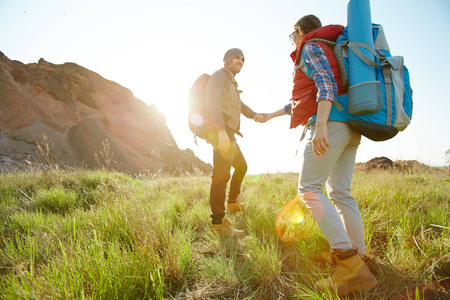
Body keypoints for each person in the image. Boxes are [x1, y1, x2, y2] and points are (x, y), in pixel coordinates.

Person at [262, 15, 378, 296]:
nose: (293, 42)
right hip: (350, 125)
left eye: (293, 36)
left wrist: (322, 125)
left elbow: (325, 85)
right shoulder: (333, 47)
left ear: (300, 32)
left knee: (309, 189)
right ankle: (359, 258)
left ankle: (349, 266)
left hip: (331, 123)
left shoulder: (311, 47)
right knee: (340, 191)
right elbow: (303, 98)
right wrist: (271, 115)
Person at [205, 48, 265, 238]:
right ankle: (218, 223)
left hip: (228, 133)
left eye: (243, 59)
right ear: (228, 60)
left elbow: (240, 106)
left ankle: (232, 203)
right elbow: (211, 101)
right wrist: (220, 130)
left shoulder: (231, 82)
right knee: (221, 175)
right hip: (220, 131)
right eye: (237, 57)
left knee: (241, 166)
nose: (241, 61)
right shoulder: (219, 76)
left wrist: (254, 115)